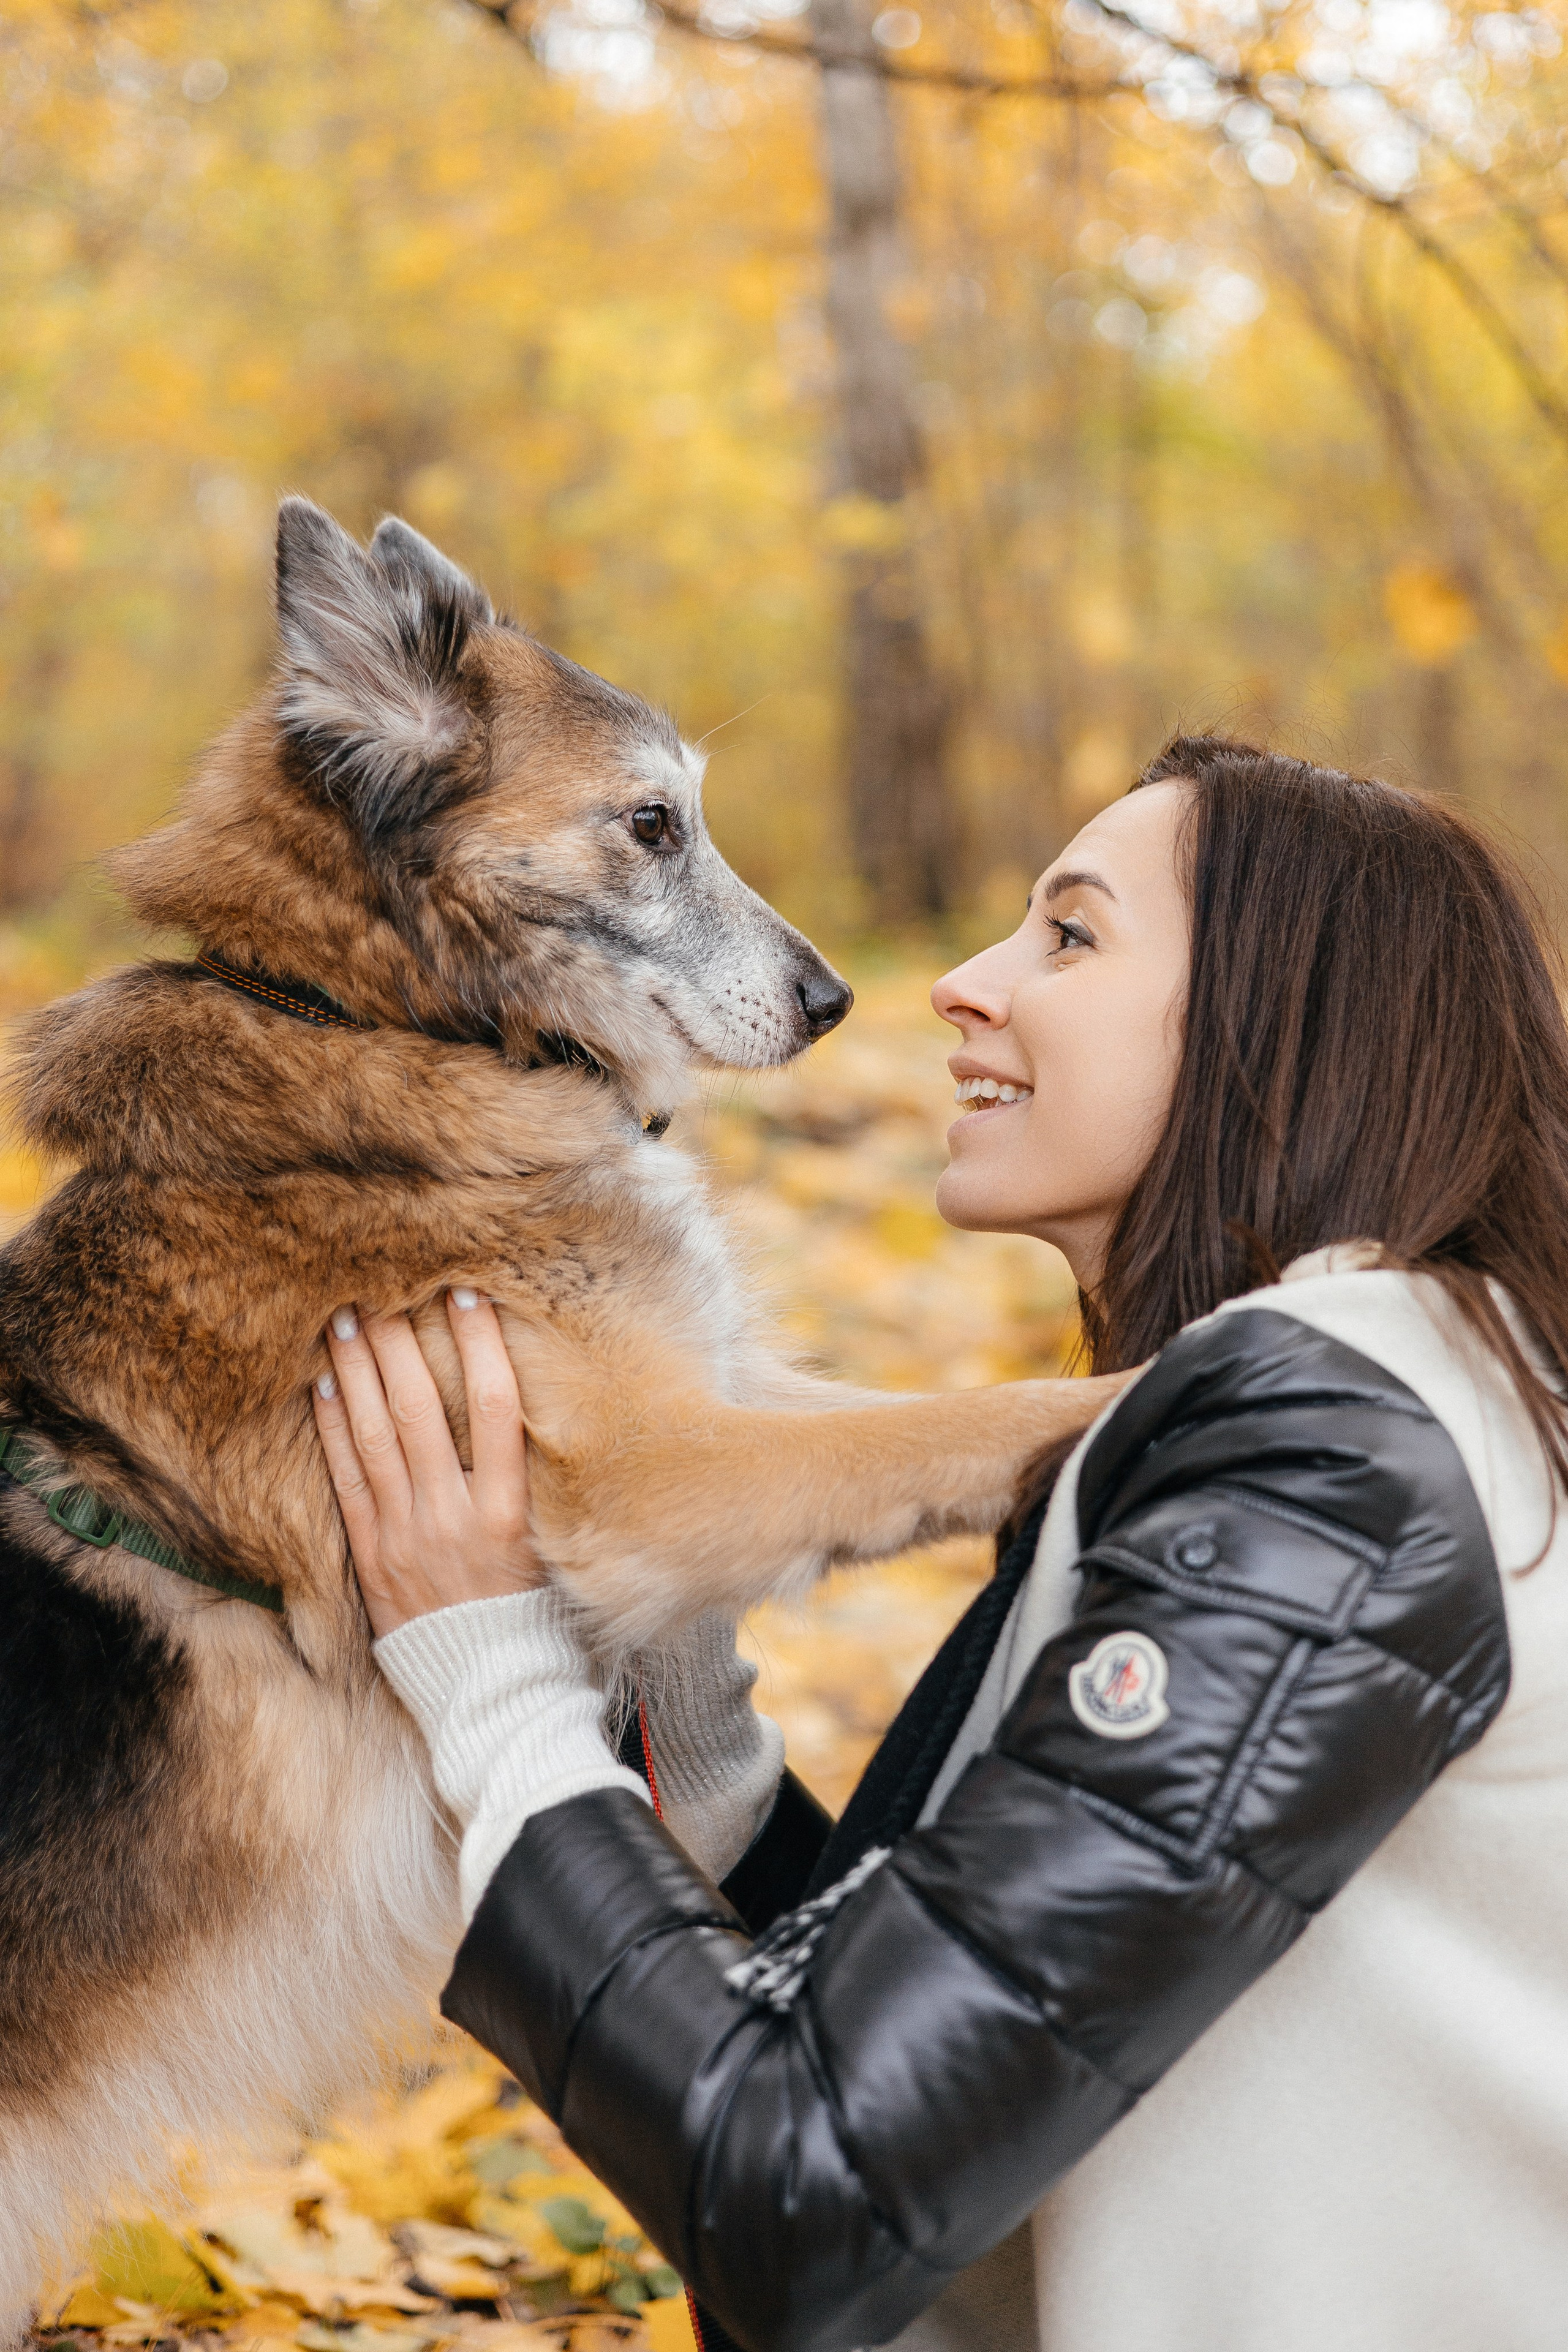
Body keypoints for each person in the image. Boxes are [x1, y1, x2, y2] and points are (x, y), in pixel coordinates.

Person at [311, 736, 1568, 2352]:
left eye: (1072, 934)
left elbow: (806, 2191)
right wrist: (677, 1691)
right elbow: (930, 2026)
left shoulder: (1334, 1449)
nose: (961, 986)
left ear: (1283, 1022)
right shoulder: (1345, 1411)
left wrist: (489, 1676)